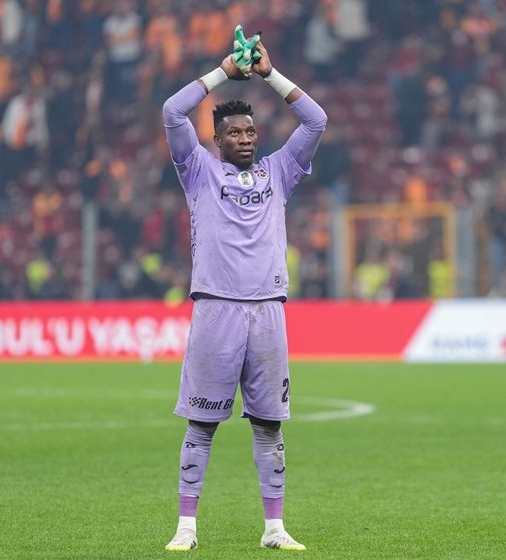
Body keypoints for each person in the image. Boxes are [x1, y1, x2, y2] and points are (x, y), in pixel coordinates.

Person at [162, 36, 326, 552]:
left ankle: (274, 528)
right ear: (216, 139)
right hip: (216, 309)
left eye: (251, 130)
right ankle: (186, 527)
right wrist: (223, 72)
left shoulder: (279, 171)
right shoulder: (198, 172)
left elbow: (316, 121)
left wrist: (269, 75)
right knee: (202, 425)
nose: (246, 138)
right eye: (234, 132)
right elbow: (171, 111)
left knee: (270, 426)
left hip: (268, 311)